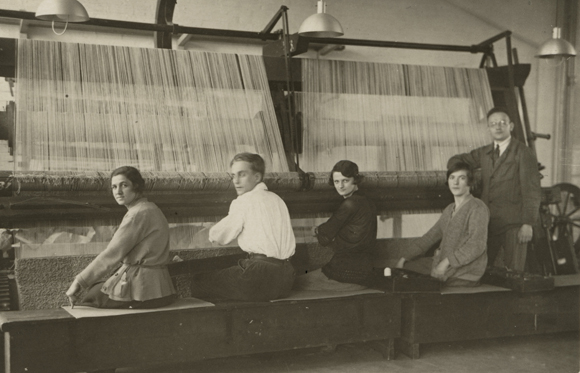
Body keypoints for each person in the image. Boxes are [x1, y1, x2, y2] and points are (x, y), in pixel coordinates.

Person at [66, 166, 177, 309]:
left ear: (136, 187)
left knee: (90, 297)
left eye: (124, 185)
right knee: (98, 287)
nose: (118, 192)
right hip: (161, 289)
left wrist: (78, 282)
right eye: (114, 187)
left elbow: (112, 254)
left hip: (141, 291)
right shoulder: (151, 208)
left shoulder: (137, 214)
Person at [190, 153, 296, 301]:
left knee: (198, 281)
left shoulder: (244, 201)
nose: (236, 181)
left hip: (258, 276)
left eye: (242, 175)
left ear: (257, 177)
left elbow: (221, 236)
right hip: (286, 278)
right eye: (233, 175)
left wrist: (207, 232)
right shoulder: (277, 199)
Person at [447, 107, 541, 272]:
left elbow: (531, 191)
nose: (498, 127)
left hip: (514, 224)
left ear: (510, 126)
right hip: (488, 222)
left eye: (502, 123)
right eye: (493, 124)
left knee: (514, 273)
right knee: (483, 272)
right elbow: (455, 160)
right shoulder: (485, 153)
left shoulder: (523, 153)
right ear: (488, 129)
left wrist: (528, 224)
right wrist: (466, 177)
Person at [396, 162, 489, 286]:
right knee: (405, 269)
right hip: (446, 266)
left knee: (414, 283)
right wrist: (404, 257)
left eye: (461, 178)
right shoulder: (449, 209)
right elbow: (430, 237)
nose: (455, 183)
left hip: (466, 272)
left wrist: (445, 263)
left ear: (470, 182)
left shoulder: (477, 207)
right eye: (452, 178)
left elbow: (476, 245)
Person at [298, 160, 377, 289]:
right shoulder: (367, 201)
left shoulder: (350, 204)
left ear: (355, 180)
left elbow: (326, 234)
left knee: (295, 284)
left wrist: (316, 230)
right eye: (336, 182)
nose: (340, 186)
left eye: (345, 181)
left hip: (344, 273)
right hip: (365, 272)